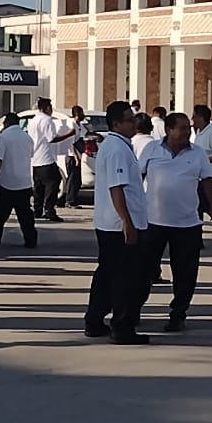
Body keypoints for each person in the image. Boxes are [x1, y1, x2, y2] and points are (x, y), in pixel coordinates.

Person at [138, 112, 212, 333]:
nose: (187, 132)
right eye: (182, 128)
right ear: (169, 130)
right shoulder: (152, 149)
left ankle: (178, 313)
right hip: (153, 222)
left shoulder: (198, 153)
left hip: (187, 224)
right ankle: (133, 310)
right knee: (143, 270)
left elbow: (208, 180)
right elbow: (138, 177)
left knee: (185, 273)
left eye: (188, 128)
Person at [86, 101, 150, 345]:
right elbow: (117, 188)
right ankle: (122, 326)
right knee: (126, 278)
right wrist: (127, 222)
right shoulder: (117, 149)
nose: (134, 123)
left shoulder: (119, 145)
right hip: (118, 225)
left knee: (108, 273)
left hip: (111, 223)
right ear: (116, 124)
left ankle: (95, 320)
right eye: (129, 120)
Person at [0, 112, 37, 248]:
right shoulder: (27, 138)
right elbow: (30, 155)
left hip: (7, 182)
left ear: (6, 123)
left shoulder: (4, 137)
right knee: (25, 215)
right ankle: (31, 239)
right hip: (24, 182)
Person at [27, 98, 75, 223]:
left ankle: (37, 210)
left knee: (39, 186)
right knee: (54, 181)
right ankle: (49, 210)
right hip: (46, 157)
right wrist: (69, 134)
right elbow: (51, 138)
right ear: (47, 108)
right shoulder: (47, 120)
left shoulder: (33, 120)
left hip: (35, 158)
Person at [61, 104, 87, 209]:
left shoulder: (79, 125)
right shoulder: (71, 124)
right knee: (72, 178)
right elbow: (71, 143)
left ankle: (73, 199)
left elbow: (85, 134)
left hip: (78, 155)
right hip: (71, 155)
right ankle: (69, 201)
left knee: (77, 180)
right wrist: (76, 157)